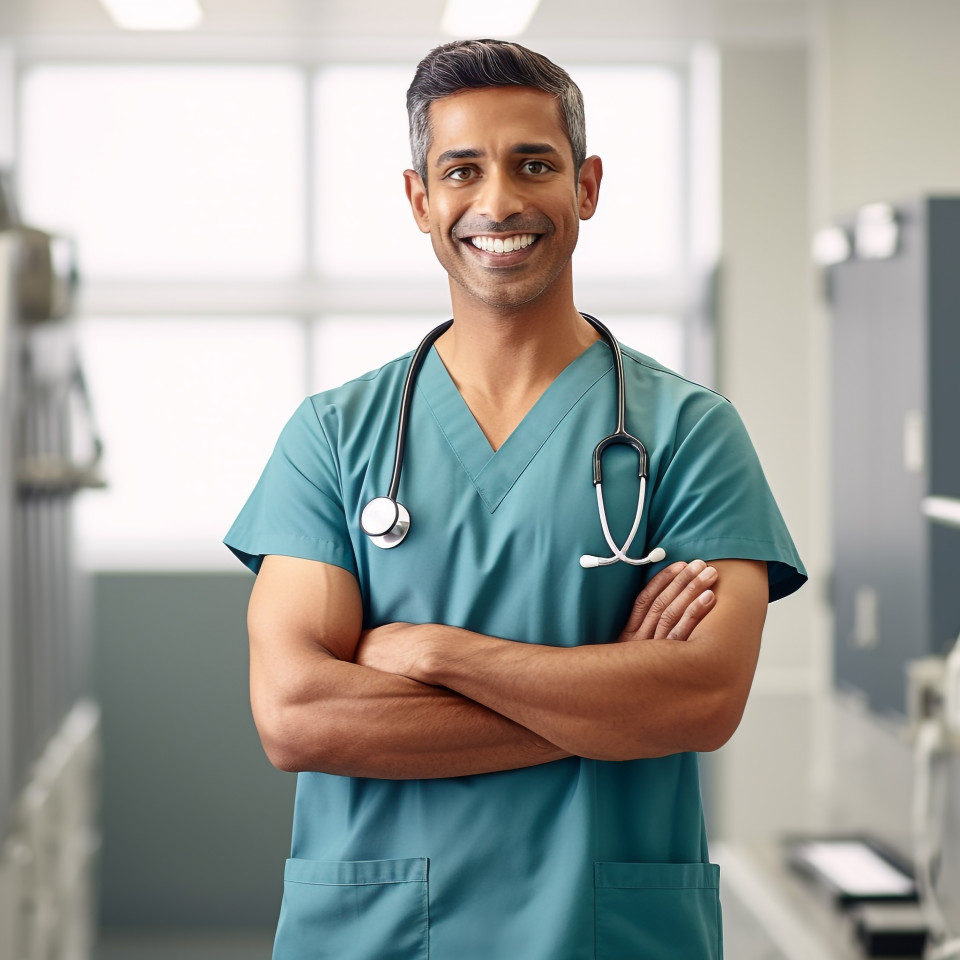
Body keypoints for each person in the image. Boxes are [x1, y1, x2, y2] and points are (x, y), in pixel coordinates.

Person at [225, 38, 806, 960]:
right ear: (420, 199)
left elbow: (702, 698)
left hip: (602, 936)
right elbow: (298, 715)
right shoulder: (332, 437)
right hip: (377, 936)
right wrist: (608, 702)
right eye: (462, 169)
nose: (498, 203)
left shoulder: (689, 433)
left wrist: (437, 653)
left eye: (533, 164)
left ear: (587, 186)